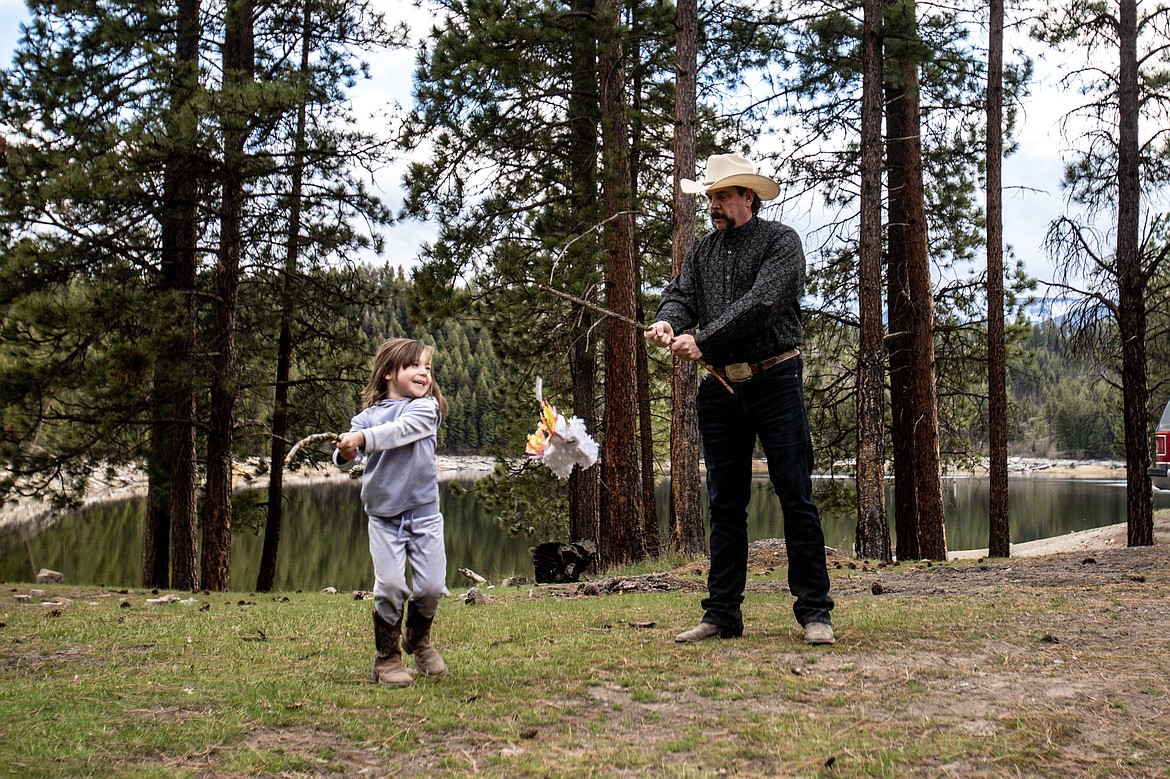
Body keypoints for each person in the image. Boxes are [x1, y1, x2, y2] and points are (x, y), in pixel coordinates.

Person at [644, 152, 836, 646]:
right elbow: (681, 294)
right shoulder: (702, 251)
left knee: (796, 497)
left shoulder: (781, 243)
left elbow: (763, 304)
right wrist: (669, 320)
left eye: (722, 196)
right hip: (719, 389)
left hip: (776, 381)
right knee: (724, 504)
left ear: (747, 197)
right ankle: (722, 614)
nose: (714, 205)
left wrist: (704, 340)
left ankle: (815, 612)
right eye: (709, 197)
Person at [334, 337, 452, 686]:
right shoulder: (365, 418)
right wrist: (345, 452)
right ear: (388, 373)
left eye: (427, 368)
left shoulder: (426, 409)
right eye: (414, 366)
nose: (423, 373)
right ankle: (386, 658)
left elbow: (399, 432)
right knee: (389, 586)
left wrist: (362, 440)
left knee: (431, 586)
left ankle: (418, 639)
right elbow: (342, 460)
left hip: (424, 515)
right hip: (383, 517)